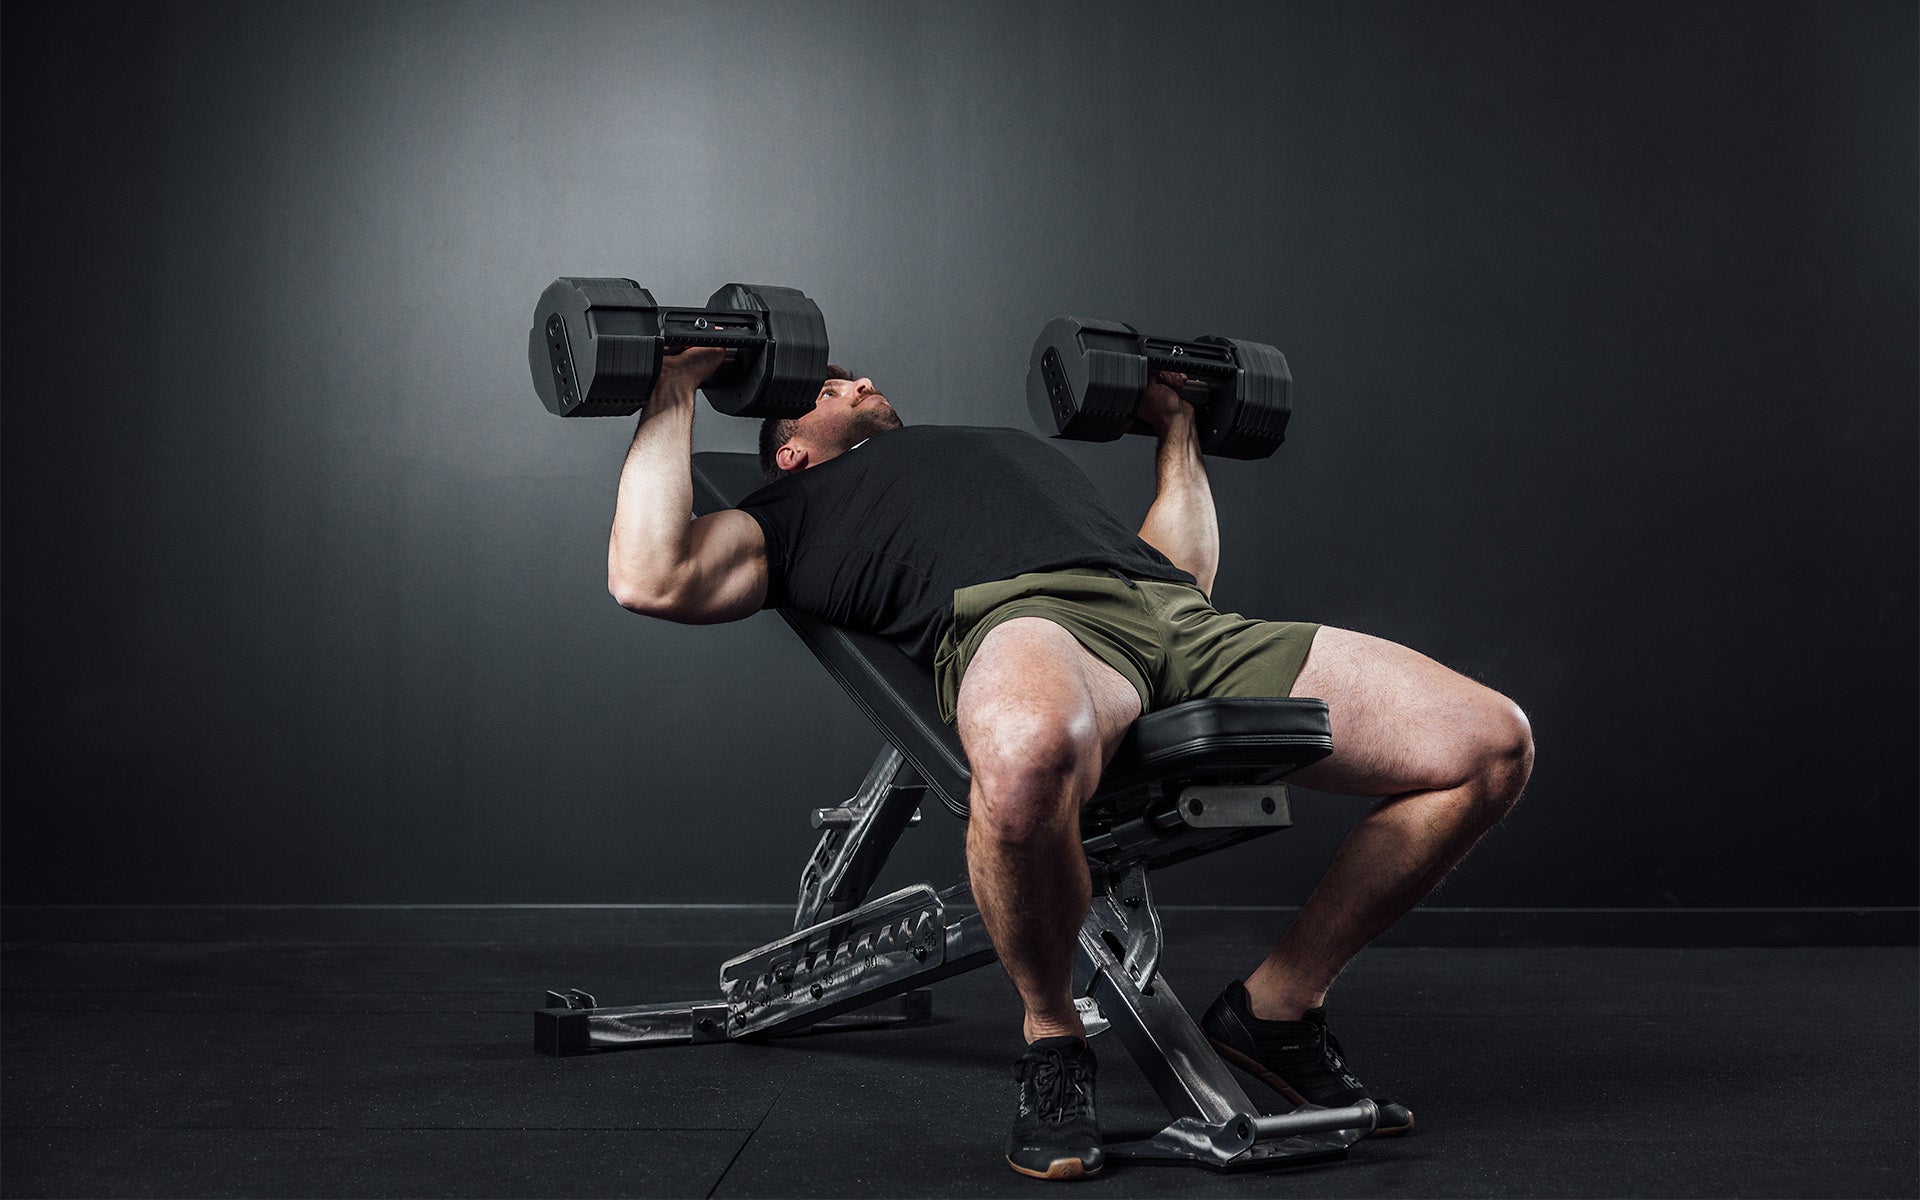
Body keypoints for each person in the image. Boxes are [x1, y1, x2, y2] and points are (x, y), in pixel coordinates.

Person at [607, 347, 1534, 1181]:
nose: (855, 380)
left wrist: (1177, 430)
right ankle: (1053, 1039)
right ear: (788, 452)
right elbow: (651, 576)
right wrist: (675, 384)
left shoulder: (1008, 451)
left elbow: (1184, 569)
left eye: (853, 373)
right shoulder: (790, 508)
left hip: (1181, 620)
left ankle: (1277, 1009)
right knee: (1020, 759)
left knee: (1489, 743)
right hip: (1032, 627)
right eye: (825, 388)